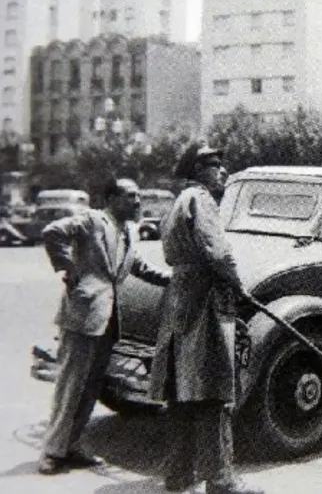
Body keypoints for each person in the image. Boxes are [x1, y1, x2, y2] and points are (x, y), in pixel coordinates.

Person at [149, 142, 263, 494]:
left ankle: (178, 476)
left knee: (182, 395)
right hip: (206, 302)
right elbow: (218, 252)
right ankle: (221, 480)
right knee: (213, 393)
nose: (224, 172)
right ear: (199, 171)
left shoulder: (177, 203)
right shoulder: (202, 201)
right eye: (216, 165)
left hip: (181, 301)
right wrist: (239, 285)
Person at [38, 178, 172, 475]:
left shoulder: (128, 231)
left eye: (139, 196)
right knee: (71, 386)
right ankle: (51, 451)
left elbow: (137, 267)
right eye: (131, 196)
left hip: (107, 322)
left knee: (90, 388)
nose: (137, 202)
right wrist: (69, 269)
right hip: (83, 317)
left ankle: (71, 447)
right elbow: (53, 232)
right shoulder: (93, 220)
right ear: (112, 199)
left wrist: (174, 280)